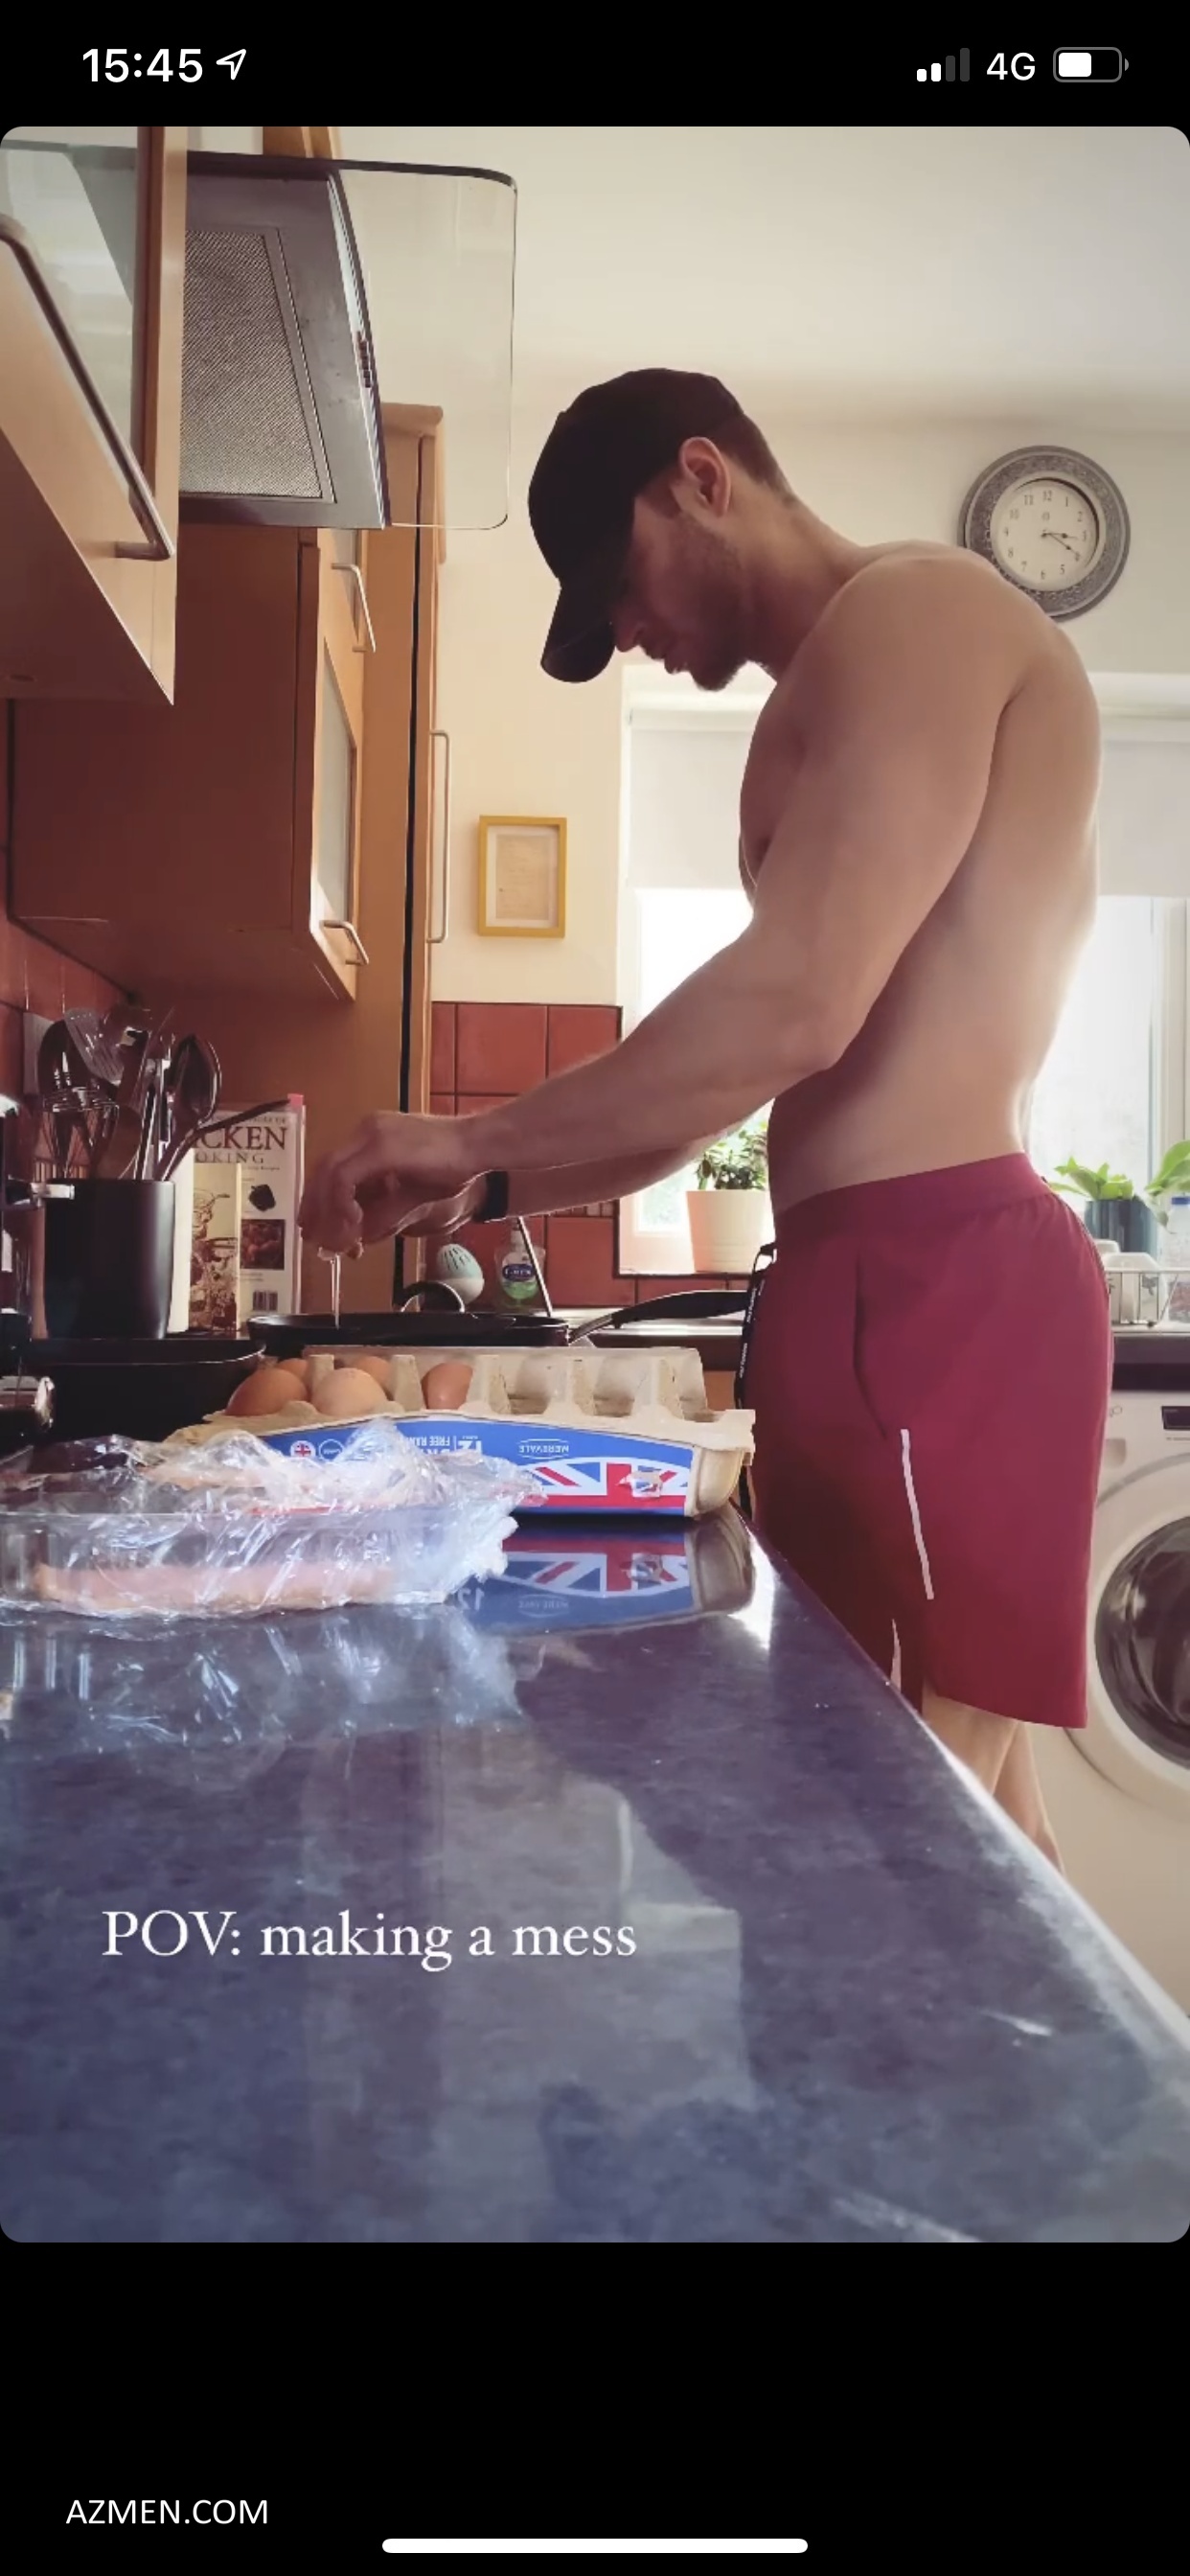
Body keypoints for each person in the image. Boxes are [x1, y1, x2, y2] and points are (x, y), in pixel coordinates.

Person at [299, 368, 1113, 1865]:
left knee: (896, 1841)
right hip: (857, 1287)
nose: (625, 630)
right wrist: (485, 1185)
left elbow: (797, 1004)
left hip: (942, 1279)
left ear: (701, 477)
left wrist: (473, 1138)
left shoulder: (917, 614)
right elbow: (723, 1090)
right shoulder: (826, 692)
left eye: (618, 582)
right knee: (958, 1837)